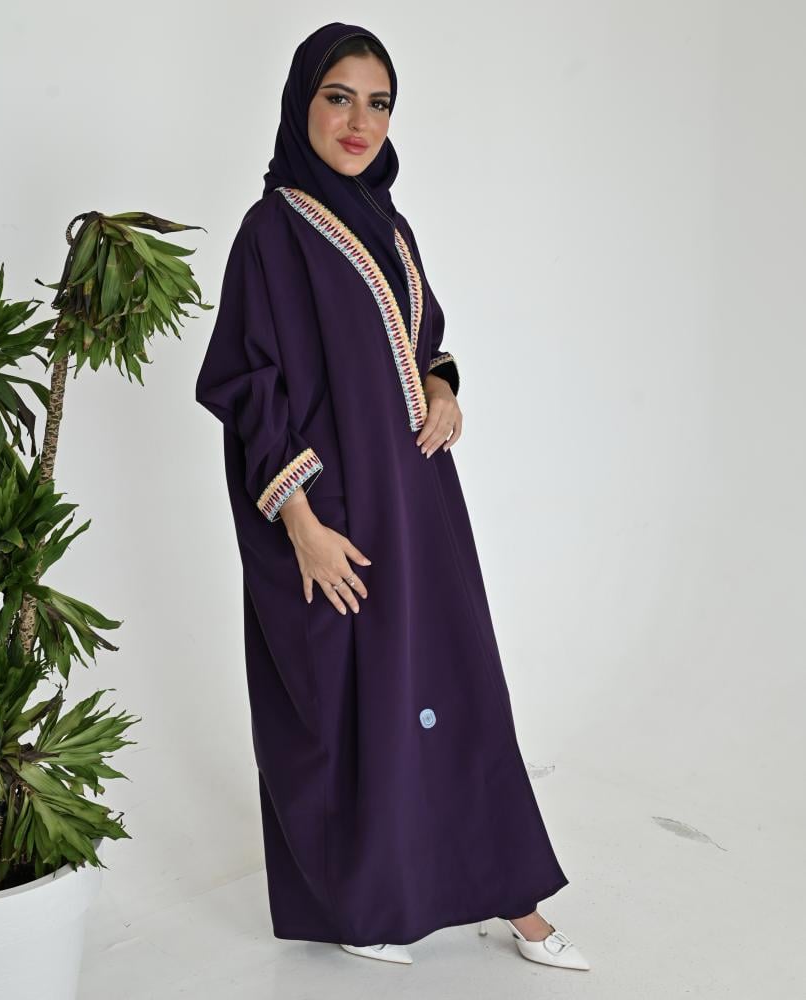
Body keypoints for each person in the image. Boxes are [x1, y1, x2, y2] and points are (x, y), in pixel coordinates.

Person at [195, 21, 590, 972]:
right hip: (331, 512)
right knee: (351, 706)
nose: (359, 122)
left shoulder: (389, 223)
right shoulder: (272, 230)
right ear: (301, 103)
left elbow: (422, 344)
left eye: (378, 104)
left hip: (417, 501)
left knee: (458, 685)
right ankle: (364, 902)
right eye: (338, 97)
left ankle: (512, 896)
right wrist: (302, 526)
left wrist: (444, 390)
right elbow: (248, 385)